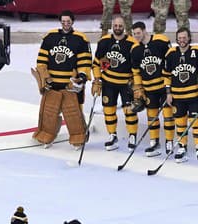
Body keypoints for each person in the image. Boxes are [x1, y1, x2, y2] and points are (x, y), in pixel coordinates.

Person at [32, 10, 91, 148]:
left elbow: (85, 61)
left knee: (73, 113)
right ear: (60, 21)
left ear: (72, 21)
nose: (66, 23)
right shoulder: (50, 36)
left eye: (68, 21)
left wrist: (82, 76)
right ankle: (47, 135)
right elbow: (42, 59)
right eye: (63, 21)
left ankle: (79, 137)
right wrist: (44, 76)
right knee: (49, 112)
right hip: (53, 83)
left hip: (70, 84)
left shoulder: (80, 38)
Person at [163, 27, 198, 164]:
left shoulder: (197, 52)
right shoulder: (170, 53)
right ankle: (182, 147)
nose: (182, 40)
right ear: (177, 39)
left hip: (194, 96)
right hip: (177, 97)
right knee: (180, 124)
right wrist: (168, 93)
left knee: (197, 123)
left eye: (184, 37)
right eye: (180, 38)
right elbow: (166, 75)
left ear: (189, 38)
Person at [93, 15, 138, 151]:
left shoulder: (132, 43)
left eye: (120, 26)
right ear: (112, 26)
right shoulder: (104, 41)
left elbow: (136, 67)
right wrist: (96, 79)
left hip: (126, 83)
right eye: (115, 25)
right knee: (109, 110)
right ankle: (112, 136)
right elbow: (96, 63)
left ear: (125, 27)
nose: (117, 28)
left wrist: (136, 84)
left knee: (129, 111)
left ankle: (132, 136)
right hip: (108, 83)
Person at [130, 21, 175, 157]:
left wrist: (170, 85)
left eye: (138, 33)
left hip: (163, 87)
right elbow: (136, 71)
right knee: (152, 117)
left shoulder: (161, 41)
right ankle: (154, 142)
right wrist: (138, 88)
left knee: (168, 115)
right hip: (149, 89)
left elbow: (172, 61)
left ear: (144, 31)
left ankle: (169, 142)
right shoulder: (135, 49)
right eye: (134, 34)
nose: (136, 36)